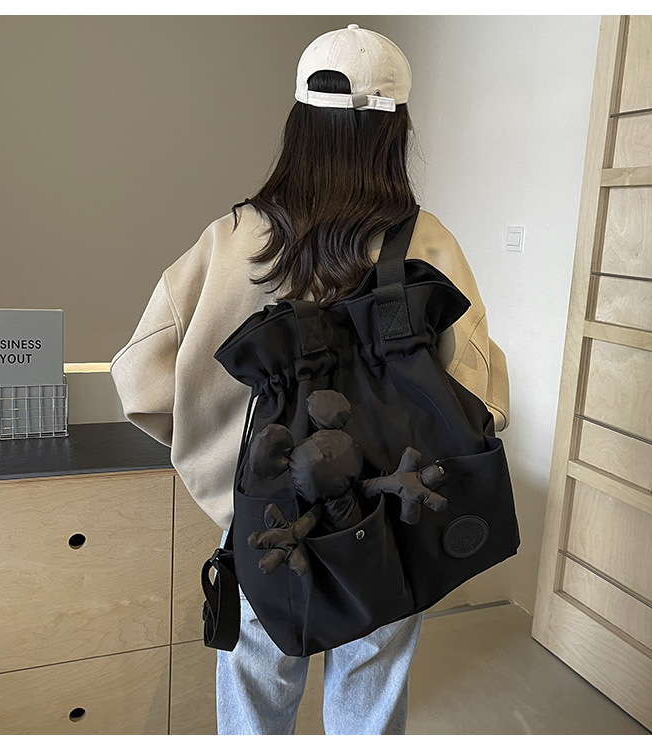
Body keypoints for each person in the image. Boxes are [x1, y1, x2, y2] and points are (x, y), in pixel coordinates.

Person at [111, 24, 509, 736]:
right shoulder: (428, 241)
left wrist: (219, 461)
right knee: (370, 696)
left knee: (256, 698)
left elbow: (143, 382)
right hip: (389, 522)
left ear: (299, 121)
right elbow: (479, 393)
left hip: (266, 528)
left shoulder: (230, 241)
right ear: (396, 129)